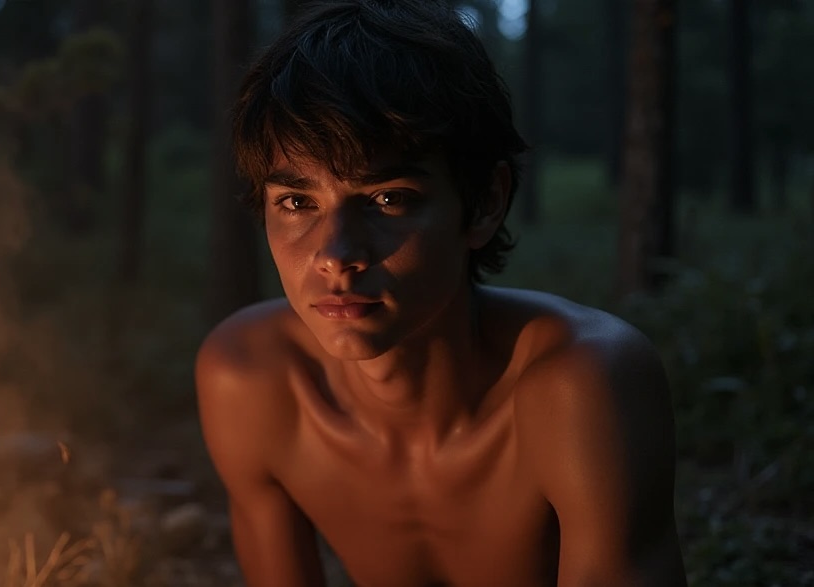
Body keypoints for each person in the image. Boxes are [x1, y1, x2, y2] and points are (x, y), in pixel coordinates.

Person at [195, 1, 688, 585]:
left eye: (387, 199)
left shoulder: (579, 384)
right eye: (297, 203)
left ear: (483, 203)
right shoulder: (251, 380)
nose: (335, 253)